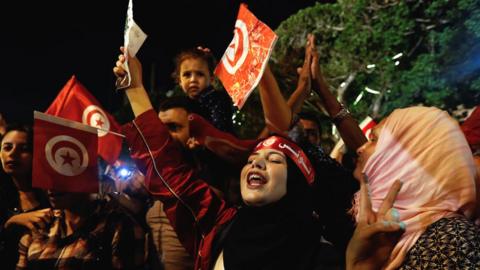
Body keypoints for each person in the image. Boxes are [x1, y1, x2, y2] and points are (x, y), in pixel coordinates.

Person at [114, 47, 406, 270]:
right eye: (253, 158)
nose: (256, 163)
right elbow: (167, 167)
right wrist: (135, 88)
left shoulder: (326, 258)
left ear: (297, 182)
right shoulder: (217, 225)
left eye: (275, 160)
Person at [353, 106, 480, 269]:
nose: (360, 148)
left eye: (373, 140)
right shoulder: (372, 225)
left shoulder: (452, 241)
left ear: (404, 157)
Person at [16, 188, 146, 269]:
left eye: (63, 173)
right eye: (47, 173)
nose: (51, 185)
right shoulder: (40, 226)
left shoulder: (117, 226)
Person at [0, 124, 51, 270]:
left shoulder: (52, 194)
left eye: (24, 149)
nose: (13, 154)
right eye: (7, 147)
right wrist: (12, 222)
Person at [172, 47, 234, 133]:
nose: (193, 79)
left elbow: (220, 130)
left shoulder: (217, 99)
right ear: (179, 80)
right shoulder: (182, 104)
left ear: (211, 79)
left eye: (200, 74)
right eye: (187, 74)